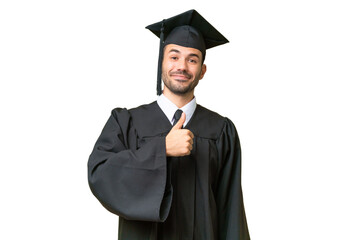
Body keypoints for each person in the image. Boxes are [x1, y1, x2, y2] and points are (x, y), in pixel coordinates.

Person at [88, 9, 250, 240]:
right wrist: (160, 150)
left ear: (202, 71)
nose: (182, 66)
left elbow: (231, 208)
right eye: (174, 57)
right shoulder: (126, 122)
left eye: (192, 59)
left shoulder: (222, 131)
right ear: (161, 63)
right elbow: (100, 174)